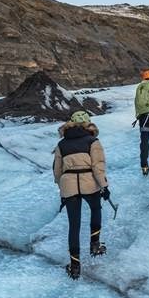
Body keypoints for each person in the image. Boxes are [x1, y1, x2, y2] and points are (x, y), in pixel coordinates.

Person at [53, 110, 110, 279]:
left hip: (69, 183)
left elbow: (57, 170)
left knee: (74, 225)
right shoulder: (93, 141)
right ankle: (95, 245)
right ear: (88, 124)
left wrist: (61, 186)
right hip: (89, 182)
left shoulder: (61, 144)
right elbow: (98, 166)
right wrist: (104, 186)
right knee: (95, 209)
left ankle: (75, 266)